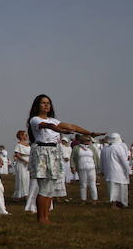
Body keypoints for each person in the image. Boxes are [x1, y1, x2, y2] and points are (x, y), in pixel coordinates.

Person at [26, 94, 102, 224]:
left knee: (50, 188)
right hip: (42, 153)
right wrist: (61, 130)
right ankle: (41, 218)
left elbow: (72, 127)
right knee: (44, 187)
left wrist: (89, 133)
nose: (46, 105)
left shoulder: (53, 120)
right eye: (43, 103)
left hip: (53, 153)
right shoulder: (35, 119)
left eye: (48, 103)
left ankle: (46, 217)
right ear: (37, 105)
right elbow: (47, 126)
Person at [102, 133, 130, 208]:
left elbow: (102, 162)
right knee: (121, 188)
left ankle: (114, 203)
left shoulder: (105, 148)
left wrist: (103, 171)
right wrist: (128, 170)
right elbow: (123, 161)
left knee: (112, 188)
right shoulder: (118, 148)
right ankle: (120, 203)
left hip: (109, 172)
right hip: (119, 172)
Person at [72, 135, 101, 204]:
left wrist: (98, 167)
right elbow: (72, 158)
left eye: (88, 140)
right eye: (86, 140)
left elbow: (96, 158)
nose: (88, 142)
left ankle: (94, 199)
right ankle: (83, 199)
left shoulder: (92, 148)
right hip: (81, 168)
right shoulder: (76, 148)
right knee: (83, 184)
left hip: (91, 168)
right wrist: (72, 167)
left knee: (92, 183)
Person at [11, 131, 32, 201]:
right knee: (22, 179)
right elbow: (17, 154)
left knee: (27, 179)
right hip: (21, 164)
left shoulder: (28, 145)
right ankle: (19, 195)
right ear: (21, 136)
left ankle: (27, 195)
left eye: (26, 135)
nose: (26, 136)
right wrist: (25, 161)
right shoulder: (18, 145)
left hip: (28, 164)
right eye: (25, 135)